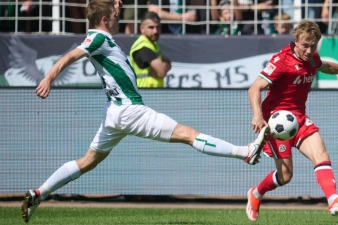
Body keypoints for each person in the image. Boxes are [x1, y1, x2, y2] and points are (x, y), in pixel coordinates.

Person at [20, 0, 268, 223]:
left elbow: (103, 16)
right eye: (115, 16)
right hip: (129, 111)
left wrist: (115, 4)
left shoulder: (103, 36)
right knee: (189, 134)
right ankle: (244, 152)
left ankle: (39, 194)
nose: (119, 18)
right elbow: (70, 56)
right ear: (105, 20)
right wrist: (49, 78)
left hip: (114, 113)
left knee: (86, 162)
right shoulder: (97, 37)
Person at [245, 20, 338, 222]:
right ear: (296, 41)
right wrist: (257, 115)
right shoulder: (280, 61)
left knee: (321, 153)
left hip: (299, 118)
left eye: (313, 46)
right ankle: (256, 193)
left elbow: (326, 66)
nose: (309, 50)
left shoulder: (312, 58)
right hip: (276, 122)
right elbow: (254, 88)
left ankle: (333, 199)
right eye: (305, 45)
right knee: (285, 176)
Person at [129, 12, 171, 88]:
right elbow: (162, 72)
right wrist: (162, 67)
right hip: (145, 93)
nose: (155, 31)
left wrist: (163, 65)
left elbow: (168, 62)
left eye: (157, 27)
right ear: (142, 28)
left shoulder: (153, 44)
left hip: (153, 93)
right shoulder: (143, 47)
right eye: (151, 27)